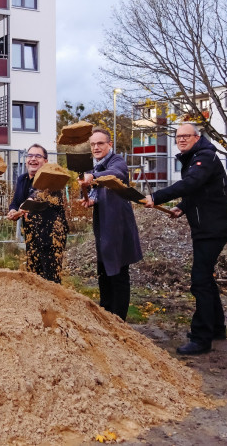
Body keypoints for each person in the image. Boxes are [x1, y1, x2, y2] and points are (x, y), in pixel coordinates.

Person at [144, 123, 227, 355]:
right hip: (207, 226)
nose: (181, 140)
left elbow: (191, 183)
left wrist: (157, 196)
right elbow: (198, 191)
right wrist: (182, 207)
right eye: (178, 137)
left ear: (197, 137)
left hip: (212, 228)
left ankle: (201, 338)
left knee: (200, 280)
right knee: (205, 277)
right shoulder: (197, 157)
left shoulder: (204, 157)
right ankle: (216, 328)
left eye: (186, 136)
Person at [79, 127, 142, 321]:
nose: (96, 147)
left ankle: (119, 320)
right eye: (93, 144)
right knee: (104, 273)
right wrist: (89, 198)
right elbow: (94, 193)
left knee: (119, 274)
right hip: (103, 228)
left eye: (100, 143)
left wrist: (93, 178)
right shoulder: (94, 166)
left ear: (109, 145)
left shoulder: (117, 161)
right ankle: (106, 316)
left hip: (118, 227)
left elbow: (115, 175)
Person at [7, 144, 69, 283]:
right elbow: (16, 201)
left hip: (51, 234)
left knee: (50, 276)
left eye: (38, 156)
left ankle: (54, 302)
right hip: (31, 233)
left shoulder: (52, 178)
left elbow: (37, 196)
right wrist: (12, 210)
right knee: (34, 273)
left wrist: (25, 205)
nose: (33, 159)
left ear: (45, 161)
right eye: (30, 155)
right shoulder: (22, 179)